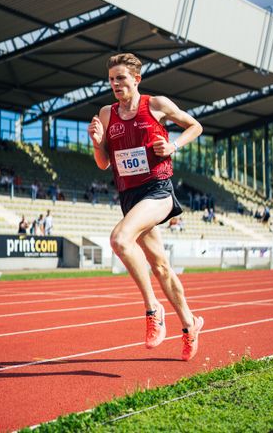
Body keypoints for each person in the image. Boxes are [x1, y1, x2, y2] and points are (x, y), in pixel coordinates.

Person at [88, 53, 204, 361]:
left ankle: (154, 310)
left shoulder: (156, 105)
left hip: (158, 190)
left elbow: (195, 126)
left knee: (119, 239)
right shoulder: (106, 113)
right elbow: (103, 164)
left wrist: (173, 146)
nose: (115, 83)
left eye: (121, 77)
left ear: (136, 79)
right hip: (130, 198)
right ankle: (191, 323)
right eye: (111, 78)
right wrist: (97, 142)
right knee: (162, 267)